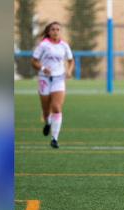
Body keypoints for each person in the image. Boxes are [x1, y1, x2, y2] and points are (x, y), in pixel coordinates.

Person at [31, 21, 74, 149]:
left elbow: (71, 61)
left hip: (59, 79)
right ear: (48, 32)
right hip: (44, 79)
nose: (55, 31)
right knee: (46, 110)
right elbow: (34, 61)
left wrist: (69, 71)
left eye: (58, 29)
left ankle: (54, 138)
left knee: (56, 107)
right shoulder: (43, 45)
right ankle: (47, 122)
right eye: (53, 29)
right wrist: (43, 67)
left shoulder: (64, 46)